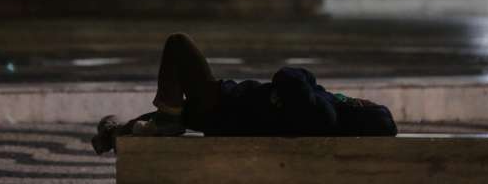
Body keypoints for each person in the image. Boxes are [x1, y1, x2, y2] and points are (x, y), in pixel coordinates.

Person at [91, 33, 397, 154]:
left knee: (178, 44)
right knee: (170, 115)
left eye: (368, 104)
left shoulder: (326, 114)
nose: (363, 99)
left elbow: (290, 75)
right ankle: (115, 132)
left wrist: (308, 81)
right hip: (225, 110)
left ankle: (163, 118)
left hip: (223, 105)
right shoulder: (327, 112)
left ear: (362, 112)